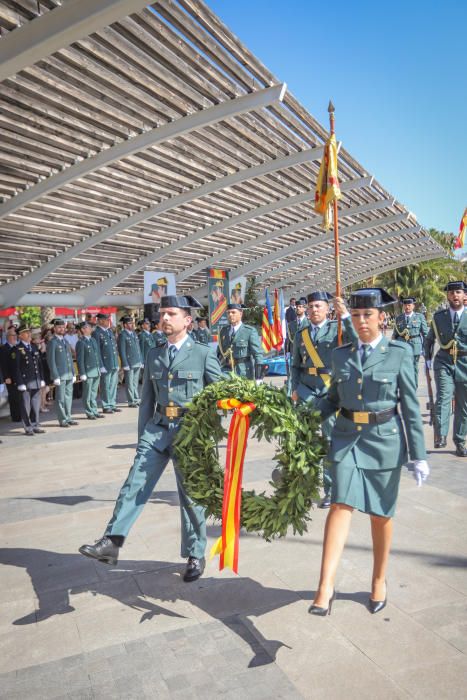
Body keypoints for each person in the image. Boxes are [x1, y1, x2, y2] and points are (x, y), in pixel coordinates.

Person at [79, 295, 222, 582]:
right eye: (162, 313)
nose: (165, 318)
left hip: (190, 431)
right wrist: (141, 437)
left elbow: (218, 396)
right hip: (157, 429)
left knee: (192, 496)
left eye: (171, 313)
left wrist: (208, 434)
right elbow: (146, 400)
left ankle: (195, 553)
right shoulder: (154, 354)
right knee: (134, 484)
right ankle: (112, 541)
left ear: (187, 321)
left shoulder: (204, 353)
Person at [310, 288, 428, 616]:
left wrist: (419, 454)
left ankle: (379, 579)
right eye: (357, 315)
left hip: (384, 440)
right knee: (340, 503)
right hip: (347, 437)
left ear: (381, 317)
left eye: (368, 315)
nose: (362, 322)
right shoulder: (341, 355)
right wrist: (301, 420)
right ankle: (325, 587)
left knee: (380, 514)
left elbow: (410, 407)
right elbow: (333, 398)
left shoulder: (399, 353)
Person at [291, 291, 358, 508]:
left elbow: (357, 342)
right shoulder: (301, 334)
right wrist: (293, 388)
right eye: (310, 307)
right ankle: (306, 488)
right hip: (306, 390)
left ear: (328, 309)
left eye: (318, 306)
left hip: (329, 391)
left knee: (330, 442)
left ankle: (331, 490)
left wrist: (345, 315)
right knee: (304, 441)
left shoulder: (336, 329)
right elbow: (295, 364)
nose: (313, 310)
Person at [425, 281, 467, 455]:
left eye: (458, 292)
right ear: (447, 296)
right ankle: (440, 435)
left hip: (465, 363)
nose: (455, 295)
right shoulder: (439, 317)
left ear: (465, 295)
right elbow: (429, 339)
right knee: (444, 395)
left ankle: (460, 441)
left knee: (463, 406)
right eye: (451, 293)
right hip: (444, 361)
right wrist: (427, 359)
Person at [14, 325, 46, 436]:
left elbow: (39, 365)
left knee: (35, 406)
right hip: (25, 382)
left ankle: (35, 425)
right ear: (20, 336)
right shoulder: (17, 349)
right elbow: (16, 368)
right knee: (26, 406)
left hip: (36, 380)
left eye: (29, 332)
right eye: (26, 333)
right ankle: (28, 427)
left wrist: (41, 378)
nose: (29, 335)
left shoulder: (34, 347)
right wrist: (20, 383)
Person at [217, 303, 263, 379]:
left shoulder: (249, 331)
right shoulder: (223, 331)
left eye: (233, 312)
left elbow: (258, 354)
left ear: (240, 314)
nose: (230, 315)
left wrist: (259, 377)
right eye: (228, 313)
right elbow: (219, 353)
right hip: (227, 371)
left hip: (244, 371)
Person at [46, 319, 77, 427]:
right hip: (60, 375)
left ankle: (68, 417)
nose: (62, 329)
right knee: (60, 398)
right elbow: (51, 360)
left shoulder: (65, 341)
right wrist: (55, 376)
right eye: (59, 327)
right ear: (54, 329)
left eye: (63, 327)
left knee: (68, 397)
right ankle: (62, 419)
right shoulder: (52, 342)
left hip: (68, 373)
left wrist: (73, 373)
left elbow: (70, 359)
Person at [392, 297, 429, 387]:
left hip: (415, 347)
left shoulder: (419, 317)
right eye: (405, 305)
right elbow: (395, 335)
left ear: (413, 306)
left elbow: (425, 334)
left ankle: (413, 387)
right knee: (402, 368)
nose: (407, 307)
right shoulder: (399, 318)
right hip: (402, 347)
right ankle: (404, 387)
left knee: (414, 368)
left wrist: (426, 349)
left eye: (409, 305)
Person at [76, 321, 105, 420]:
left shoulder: (93, 340)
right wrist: (82, 373)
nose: (91, 329)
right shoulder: (81, 343)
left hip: (95, 370)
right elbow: (80, 360)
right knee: (87, 393)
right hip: (88, 372)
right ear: (83, 330)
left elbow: (98, 355)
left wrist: (100, 366)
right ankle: (89, 412)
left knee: (94, 393)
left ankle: (94, 410)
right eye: (88, 327)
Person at [93, 313, 120, 414]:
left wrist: (116, 362)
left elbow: (114, 348)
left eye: (107, 319)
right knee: (105, 385)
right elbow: (97, 351)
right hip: (105, 363)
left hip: (112, 362)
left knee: (113, 384)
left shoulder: (109, 331)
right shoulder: (97, 333)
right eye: (105, 320)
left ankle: (112, 404)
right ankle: (106, 405)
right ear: (99, 321)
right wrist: (101, 365)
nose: (107, 321)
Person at [118, 316, 143, 407]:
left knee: (135, 382)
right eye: (130, 323)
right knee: (129, 382)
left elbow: (138, 348)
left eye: (132, 323)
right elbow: (122, 350)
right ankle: (131, 400)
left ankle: (136, 398)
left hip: (136, 361)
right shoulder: (122, 335)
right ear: (125, 325)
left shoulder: (133, 334)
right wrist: (125, 363)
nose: (132, 325)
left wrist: (140, 360)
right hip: (129, 363)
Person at [0, 326, 21, 422]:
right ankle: (15, 417)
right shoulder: (4, 349)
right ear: (8, 337)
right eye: (13, 335)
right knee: (13, 397)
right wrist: (6, 377)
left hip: (18, 376)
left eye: (15, 335)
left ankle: (20, 415)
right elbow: (3, 365)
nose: (15, 337)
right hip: (10, 377)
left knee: (18, 396)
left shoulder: (16, 347)